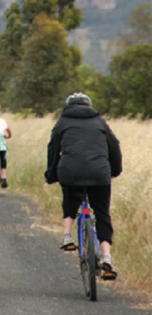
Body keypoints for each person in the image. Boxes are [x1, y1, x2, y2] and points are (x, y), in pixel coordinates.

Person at [45, 93, 122, 279]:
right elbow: (114, 148)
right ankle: (106, 256)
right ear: (89, 105)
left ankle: (67, 235)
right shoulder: (100, 122)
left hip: (70, 172)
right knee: (102, 213)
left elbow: (53, 150)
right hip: (99, 173)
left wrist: (51, 174)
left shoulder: (62, 122)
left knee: (70, 200)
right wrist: (115, 171)